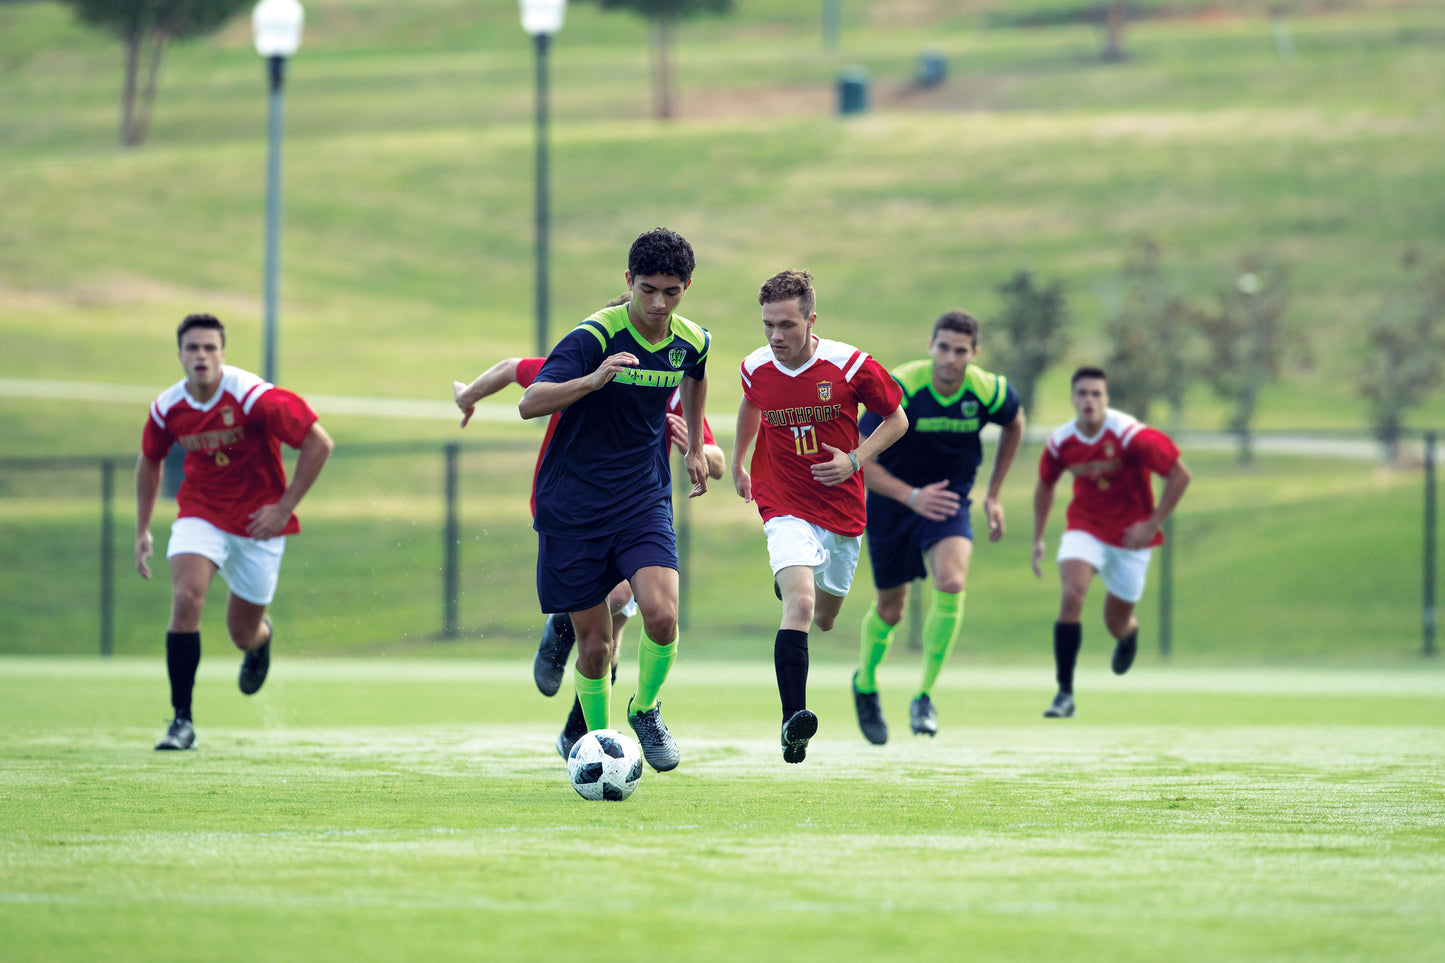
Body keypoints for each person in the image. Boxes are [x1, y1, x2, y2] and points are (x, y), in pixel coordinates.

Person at [450, 303, 725, 759]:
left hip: (635, 508)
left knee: (619, 614)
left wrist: (695, 447)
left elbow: (713, 459)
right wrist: (468, 396)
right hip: (571, 504)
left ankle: (586, 734)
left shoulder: (673, 379)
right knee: (601, 627)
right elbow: (513, 371)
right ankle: (564, 639)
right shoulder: (585, 357)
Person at [517, 228, 711, 773]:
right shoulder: (592, 337)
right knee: (597, 646)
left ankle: (645, 710)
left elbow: (696, 374)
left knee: (662, 614)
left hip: (641, 498)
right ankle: (600, 741)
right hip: (573, 506)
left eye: (671, 292)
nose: (657, 303)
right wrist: (593, 379)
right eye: (647, 289)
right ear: (628, 282)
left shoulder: (692, 339)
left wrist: (696, 445)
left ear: (686, 287)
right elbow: (530, 402)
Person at [732, 269, 907, 764]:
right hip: (782, 502)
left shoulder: (851, 365)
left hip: (841, 511)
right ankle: (793, 722)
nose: (775, 336)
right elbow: (751, 403)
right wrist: (741, 461)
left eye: (786, 325)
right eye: (767, 324)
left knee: (825, 619)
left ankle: (792, 581)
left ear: (812, 319)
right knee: (802, 608)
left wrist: (854, 460)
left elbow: (897, 419)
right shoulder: (755, 367)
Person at [135, 313, 333, 750]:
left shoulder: (254, 397)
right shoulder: (168, 407)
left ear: (223, 353)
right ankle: (181, 722)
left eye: (210, 348)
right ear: (180, 355)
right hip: (201, 512)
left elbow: (319, 442)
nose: (201, 356)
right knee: (186, 598)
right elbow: (150, 459)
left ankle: (261, 639)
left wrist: (283, 509)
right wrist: (143, 529)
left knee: (242, 633)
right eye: (193, 348)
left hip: (258, 524)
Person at [851, 310, 1025, 744]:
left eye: (960, 350)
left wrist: (995, 493)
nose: (950, 358)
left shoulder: (988, 391)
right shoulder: (902, 387)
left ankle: (924, 695)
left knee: (952, 580)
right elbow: (858, 459)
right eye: (943, 347)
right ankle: (866, 683)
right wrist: (911, 496)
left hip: (949, 502)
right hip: (893, 503)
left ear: (974, 353)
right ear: (931, 346)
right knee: (891, 610)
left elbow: (1015, 422)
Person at [1031, 366, 1191, 718]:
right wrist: (1039, 537)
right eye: (1082, 393)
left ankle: (1128, 634)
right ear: (1072, 398)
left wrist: (1152, 524)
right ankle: (1064, 694)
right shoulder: (1061, 441)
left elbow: (1180, 474)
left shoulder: (1131, 435)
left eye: (1096, 394)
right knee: (1072, 592)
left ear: (1106, 399)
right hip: (1085, 527)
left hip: (1130, 538)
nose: (1089, 400)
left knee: (1115, 623)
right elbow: (1045, 484)